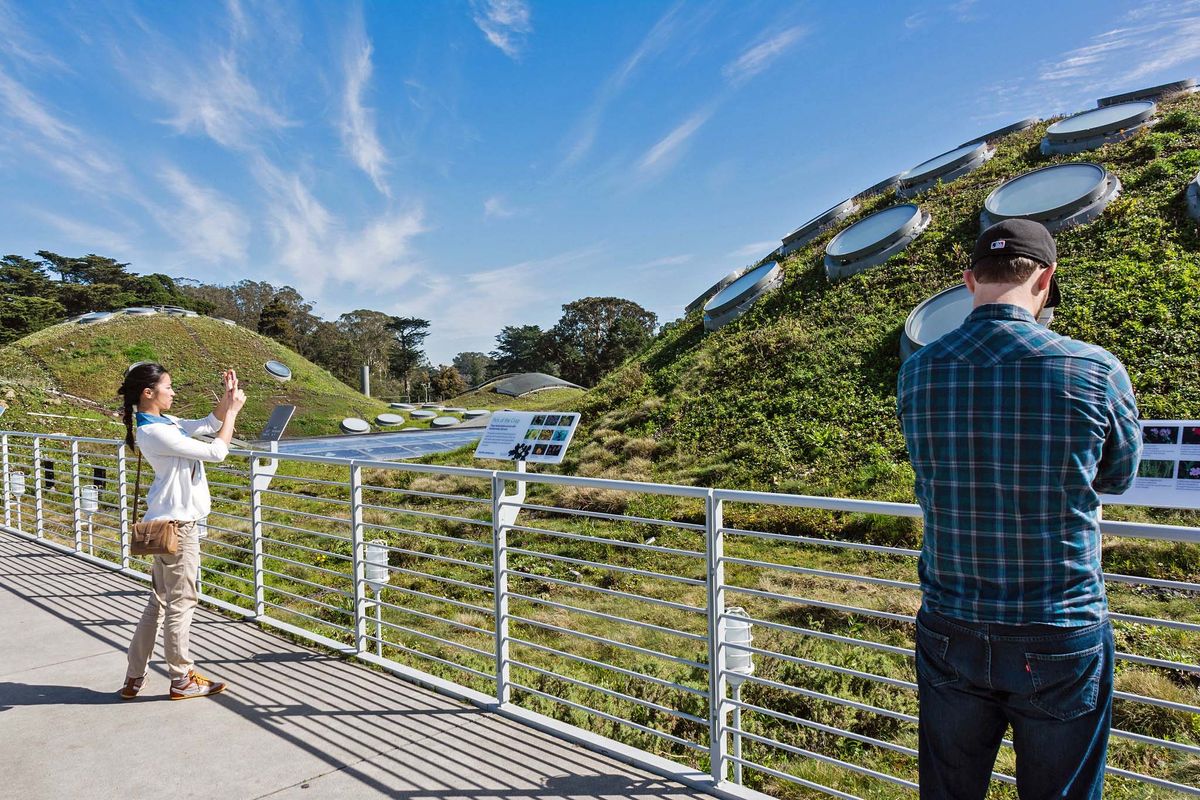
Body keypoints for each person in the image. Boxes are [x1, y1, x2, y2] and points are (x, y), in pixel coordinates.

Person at [897, 219, 1141, 799]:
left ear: (969, 280)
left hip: (950, 621)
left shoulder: (918, 372)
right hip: (1059, 624)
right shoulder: (1093, 369)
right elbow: (1119, 476)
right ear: (1046, 280)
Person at [117, 363, 246, 700]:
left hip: (163, 525)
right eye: (168, 387)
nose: (173, 393)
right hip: (178, 529)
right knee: (182, 602)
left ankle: (134, 678)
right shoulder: (156, 432)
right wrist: (233, 413)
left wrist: (228, 399)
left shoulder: (164, 423)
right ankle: (181, 678)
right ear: (149, 393)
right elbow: (217, 450)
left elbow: (207, 424)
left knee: (158, 603)